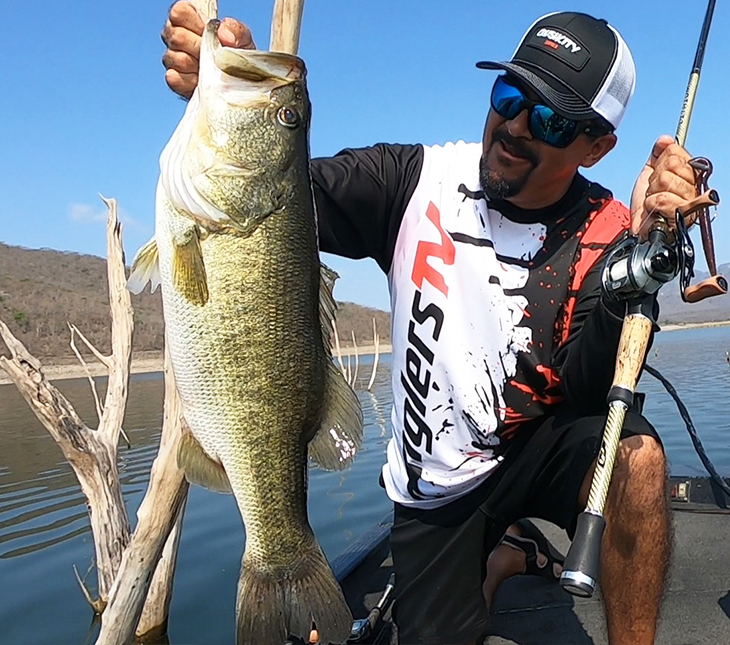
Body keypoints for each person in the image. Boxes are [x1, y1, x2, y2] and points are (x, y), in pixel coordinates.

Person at [161, 6, 701, 645]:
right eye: (509, 94)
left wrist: (636, 266)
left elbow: (589, 395)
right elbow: (272, 199)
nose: (515, 126)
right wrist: (228, 97)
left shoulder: (609, 233)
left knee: (637, 458)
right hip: (435, 480)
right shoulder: (413, 181)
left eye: (552, 120)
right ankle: (509, 553)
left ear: (596, 146)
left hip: (537, 448)